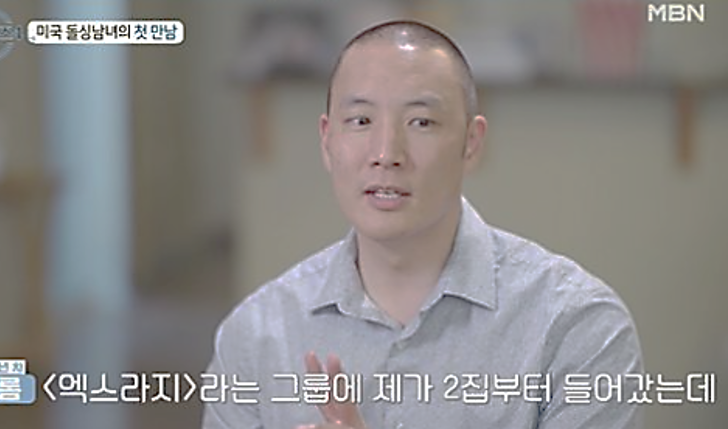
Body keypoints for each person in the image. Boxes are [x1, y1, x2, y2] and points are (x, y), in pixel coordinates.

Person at [202, 19, 644, 429]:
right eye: (360, 121)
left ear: (471, 143)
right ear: (327, 140)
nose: (386, 153)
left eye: (421, 122)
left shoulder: (576, 326)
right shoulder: (255, 336)